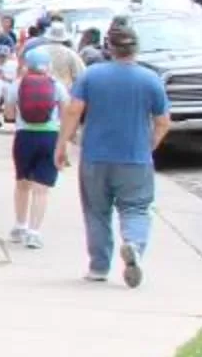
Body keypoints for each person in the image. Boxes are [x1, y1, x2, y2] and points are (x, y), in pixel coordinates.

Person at [57, 18, 172, 286]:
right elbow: (163, 121)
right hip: (134, 157)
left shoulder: (91, 75)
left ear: (109, 47)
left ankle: (98, 266)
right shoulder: (150, 79)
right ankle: (133, 243)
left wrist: (62, 143)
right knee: (136, 208)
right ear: (136, 49)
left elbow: (73, 110)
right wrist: (151, 143)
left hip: (95, 156)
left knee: (96, 211)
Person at [7, 36, 69, 247]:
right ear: (47, 66)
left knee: (22, 183)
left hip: (24, 136)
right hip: (49, 136)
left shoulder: (17, 85)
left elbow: (7, 113)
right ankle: (34, 232)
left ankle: (20, 225)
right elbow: (65, 113)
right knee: (41, 188)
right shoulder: (56, 86)